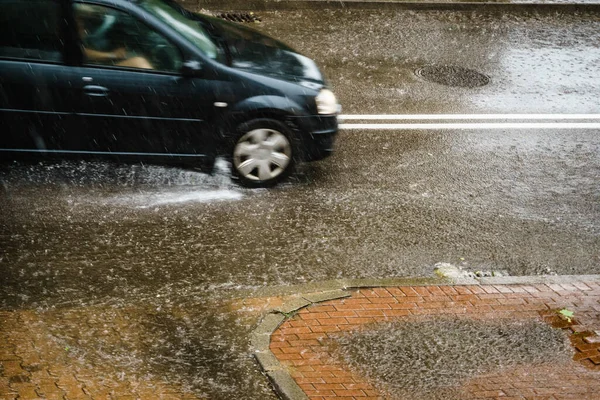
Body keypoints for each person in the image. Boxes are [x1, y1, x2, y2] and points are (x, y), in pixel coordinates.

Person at [75, 5, 153, 70]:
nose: (84, 30)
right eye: (80, 25)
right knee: (139, 62)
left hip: (90, 65)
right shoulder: (72, 25)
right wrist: (113, 55)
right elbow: (78, 51)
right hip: (88, 71)